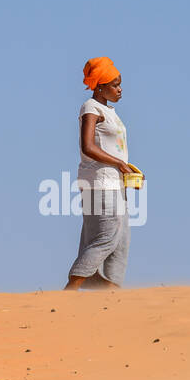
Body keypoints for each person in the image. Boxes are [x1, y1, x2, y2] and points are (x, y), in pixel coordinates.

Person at [65, 56, 137, 290]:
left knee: (121, 241)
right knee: (106, 237)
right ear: (99, 86)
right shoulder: (91, 107)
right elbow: (87, 147)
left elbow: (111, 147)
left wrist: (127, 168)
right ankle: (69, 291)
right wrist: (119, 163)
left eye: (119, 84)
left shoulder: (111, 111)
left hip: (116, 184)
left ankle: (109, 291)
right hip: (100, 183)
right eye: (114, 85)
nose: (120, 89)